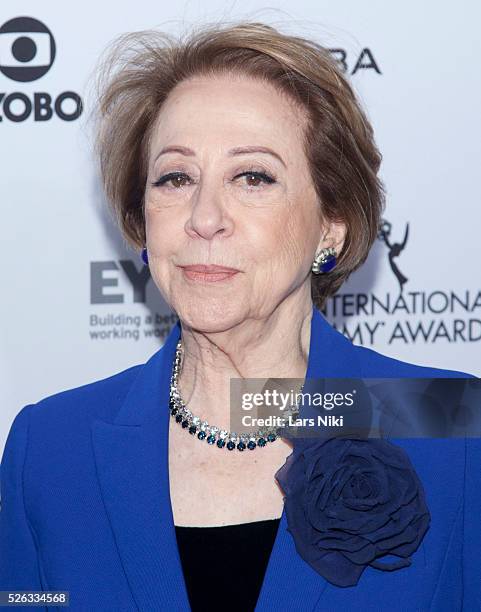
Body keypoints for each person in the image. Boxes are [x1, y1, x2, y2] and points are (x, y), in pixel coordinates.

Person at [0, 20, 479, 612]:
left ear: (332, 224)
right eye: (175, 178)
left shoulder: (456, 429)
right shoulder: (49, 447)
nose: (204, 217)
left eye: (253, 177)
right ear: (143, 220)